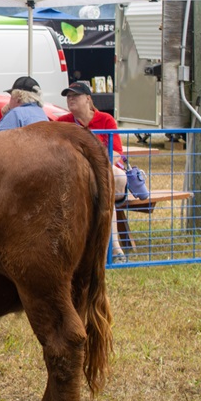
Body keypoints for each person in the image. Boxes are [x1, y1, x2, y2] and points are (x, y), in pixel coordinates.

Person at [57, 82, 128, 264]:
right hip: (74, 176)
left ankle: (113, 249)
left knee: (114, 179)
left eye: (75, 96)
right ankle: (111, 250)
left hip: (102, 172)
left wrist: (97, 167)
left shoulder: (106, 120)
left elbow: (117, 152)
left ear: (88, 99)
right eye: (68, 96)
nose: (70, 99)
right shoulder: (62, 123)